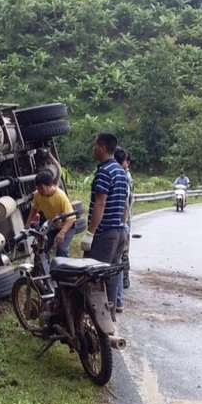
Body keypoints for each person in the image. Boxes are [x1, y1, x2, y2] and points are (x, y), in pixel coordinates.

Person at [80, 133, 128, 322]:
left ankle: (97, 319)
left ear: (101, 147)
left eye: (95, 146)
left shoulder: (104, 172)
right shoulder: (120, 171)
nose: (94, 149)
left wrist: (90, 232)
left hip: (105, 234)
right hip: (119, 231)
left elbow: (100, 204)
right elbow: (125, 204)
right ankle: (110, 315)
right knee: (112, 274)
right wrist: (121, 225)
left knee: (94, 274)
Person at [25, 170, 77, 257]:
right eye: (38, 188)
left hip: (67, 226)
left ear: (50, 185)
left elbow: (71, 218)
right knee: (42, 248)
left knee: (61, 250)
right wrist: (27, 223)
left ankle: (64, 269)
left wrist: (62, 232)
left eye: (42, 188)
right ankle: (44, 269)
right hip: (52, 225)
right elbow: (34, 209)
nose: (39, 191)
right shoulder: (38, 195)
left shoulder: (60, 196)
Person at [114, 147, 134, 313]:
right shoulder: (125, 176)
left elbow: (125, 205)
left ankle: (122, 288)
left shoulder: (122, 177)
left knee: (120, 258)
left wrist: (122, 223)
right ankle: (123, 284)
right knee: (122, 256)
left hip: (122, 223)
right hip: (125, 222)